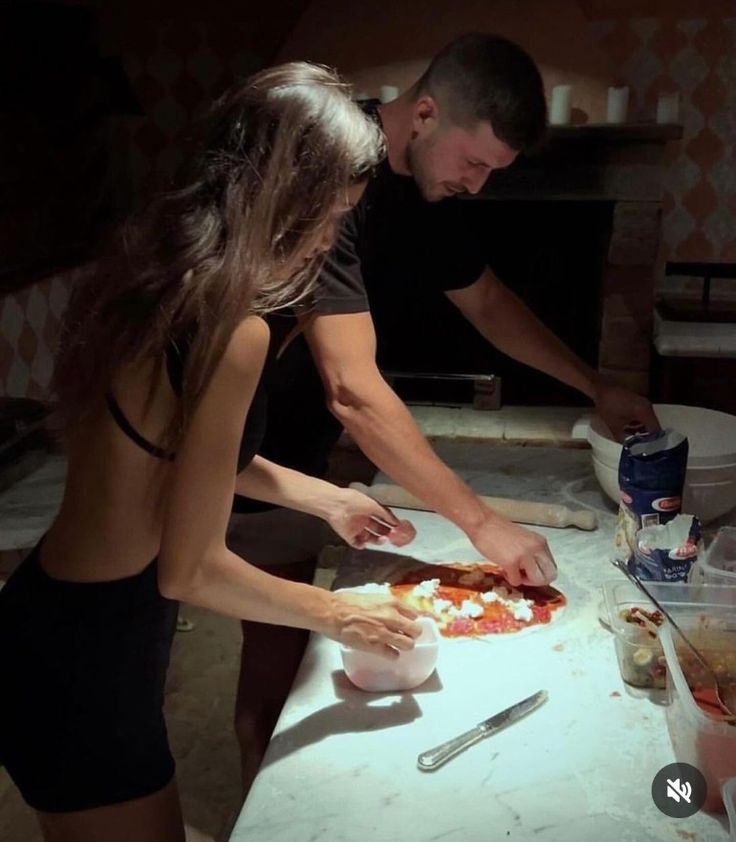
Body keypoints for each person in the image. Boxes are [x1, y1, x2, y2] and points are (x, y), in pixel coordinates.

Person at [0, 62, 423, 842]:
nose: (330, 240)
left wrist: (325, 497)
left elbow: (183, 461)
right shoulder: (236, 330)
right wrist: (341, 613)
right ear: (286, 200)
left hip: (48, 620)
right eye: (331, 215)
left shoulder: (155, 276)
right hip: (90, 663)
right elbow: (190, 568)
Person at [230, 33, 660, 788]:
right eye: (474, 164)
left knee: (298, 645)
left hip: (292, 455)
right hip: (239, 439)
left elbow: (489, 301)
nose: (479, 186)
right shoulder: (333, 169)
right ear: (424, 115)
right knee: (271, 663)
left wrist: (596, 386)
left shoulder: (425, 182)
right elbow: (353, 388)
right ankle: (260, 806)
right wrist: (482, 522)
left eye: (495, 174)